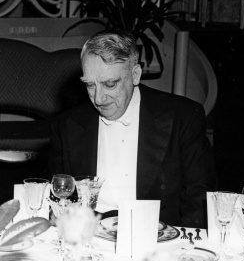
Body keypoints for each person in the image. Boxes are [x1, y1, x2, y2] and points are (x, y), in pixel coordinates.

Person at [48, 30, 216, 228]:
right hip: (89, 235)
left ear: (135, 75)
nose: (99, 99)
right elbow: (55, 196)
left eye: (110, 84)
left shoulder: (183, 117)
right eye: (90, 85)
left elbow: (199, 200)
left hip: (157, 236)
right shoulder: (67, 124)